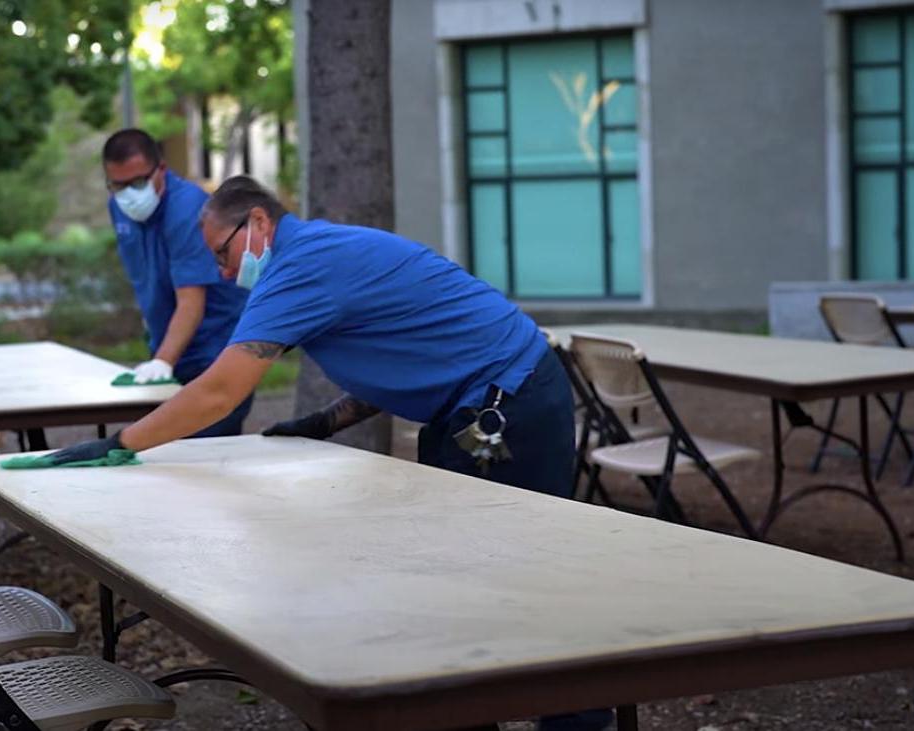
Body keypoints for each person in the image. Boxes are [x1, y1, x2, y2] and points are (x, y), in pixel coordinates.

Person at [37, 175, 609, 731]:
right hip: (478, 401)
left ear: (257, 221)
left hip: (511, 402)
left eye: (223, 254)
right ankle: (468, 712)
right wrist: (325, 421)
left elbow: (220, 390)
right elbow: (399, 350)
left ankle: (578, 718)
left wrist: (121, 443)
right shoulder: (320, 253)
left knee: (528, 575)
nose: (225, 272)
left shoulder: (300, 266)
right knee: (454, 576)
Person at [102, 129, 253, 436]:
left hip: (218, 357)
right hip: (172, 355)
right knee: (168, 462)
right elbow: (146, 277)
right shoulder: (119, 207)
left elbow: (191, 301)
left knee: (201, 458)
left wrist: (162, 361)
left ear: (161, 170)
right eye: (118, 185)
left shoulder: (189, 210)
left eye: (139, 182)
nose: (130, 194)